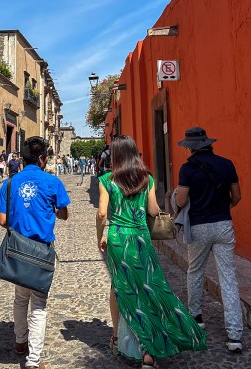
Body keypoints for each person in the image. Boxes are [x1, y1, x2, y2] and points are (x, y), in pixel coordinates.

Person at [96, 135, 206, 368]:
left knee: (119, 287)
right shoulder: (147, 179)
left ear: (115, 156)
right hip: (140, 239)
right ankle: (152, 348)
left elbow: (102, 213)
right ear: (135, 154)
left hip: (118, 238)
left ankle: (117, 337)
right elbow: (154, 210)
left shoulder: (107, 180)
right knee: (150, 287)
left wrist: (100, 237)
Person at [0, 137, 70, 369]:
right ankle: (33, 360)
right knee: (38, 304)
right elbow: (64, 215)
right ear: (41, 158)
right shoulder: (52, 182)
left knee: (20, 298)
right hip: (42, 253)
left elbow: (2, 219)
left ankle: (19, 342)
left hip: (18, 251)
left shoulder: (9, 183)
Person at [175, 127, 243, 353]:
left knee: (195, 271)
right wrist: (222, 208)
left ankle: (196, 317)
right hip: (224, 224)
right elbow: (237, 196)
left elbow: (182, 200)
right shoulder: (227, 164)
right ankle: (235, 335)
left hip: (199, 225)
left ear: (190, 147)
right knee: (228, 277)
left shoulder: (187, 169)